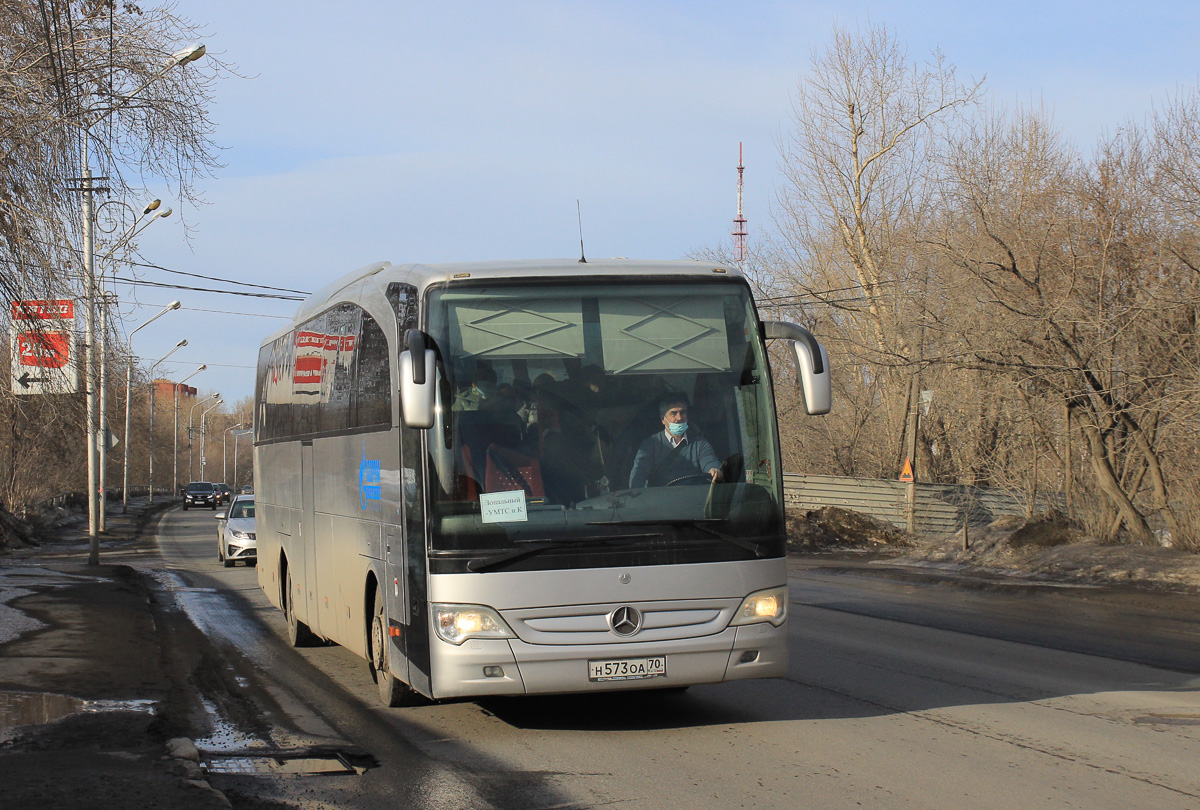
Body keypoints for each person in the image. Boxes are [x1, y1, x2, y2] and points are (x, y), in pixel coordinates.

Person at [628, 396, 722, 488]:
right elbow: (639, 475)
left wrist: (714, 470)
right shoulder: (650, 445)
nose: (679, 417)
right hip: (661, 501)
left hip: (694, 499)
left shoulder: (699, 443)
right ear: (663, 419)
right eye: (673, 413)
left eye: (683, 413)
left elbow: (710, 461)